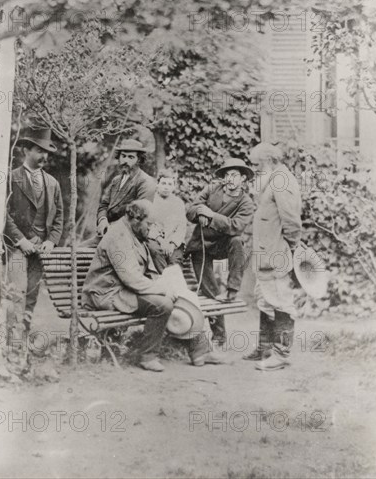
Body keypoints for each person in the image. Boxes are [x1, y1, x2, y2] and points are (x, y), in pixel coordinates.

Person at [82, 200, 222, 372]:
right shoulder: (118, 236)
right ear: (135, 219)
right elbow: (131, 278)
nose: (150, 228)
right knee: (162, 304)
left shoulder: (134, 232)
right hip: (108, 293)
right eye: (148, 223)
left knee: (177, 287)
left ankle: (200, 351)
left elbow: (145, 271)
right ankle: (148, 357)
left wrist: (167, 285)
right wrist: (163, 289)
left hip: (124, 288)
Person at [243, 143, 302, 371]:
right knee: (265, 299)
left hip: (276, 252)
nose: (254, 168)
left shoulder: (283, 181)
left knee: (281, 300)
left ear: (271, 161)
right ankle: (265, 347)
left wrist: (289, 246)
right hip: (265, 253)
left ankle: (281, 354)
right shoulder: (272, 179)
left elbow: (291, 221)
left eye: (257, 164)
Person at [186, 157, 254, 345]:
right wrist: (199, 211)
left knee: (237, 242)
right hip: (201, 245)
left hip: (223, 245)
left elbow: (236, 226)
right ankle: (219, 336)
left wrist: (211, 215)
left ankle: (232, 289)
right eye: (227, 175)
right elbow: (190, 210)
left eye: (235, 175)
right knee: (211, 293)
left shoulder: (246, 202)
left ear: (243, 179)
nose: (230, 179)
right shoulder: (211, 189)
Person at [4, 127, 63, 333]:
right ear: (26, 151)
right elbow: (4, 213)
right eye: (39, 150)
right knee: (16, 293)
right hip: (17, 247)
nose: (44, 156)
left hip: (41, 250)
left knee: (32, 295)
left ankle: (23, 337)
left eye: (46, 152)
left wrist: (51, 241)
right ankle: (10, 337)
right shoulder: (11, 178)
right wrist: (21, 240)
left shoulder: (52, 183)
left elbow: (59, 217)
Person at [96, 139, 155, 238]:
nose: (125, 161)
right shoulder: (116, 180)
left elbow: (140, 215)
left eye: (131, 157)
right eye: (123, 156)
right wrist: (102, 220)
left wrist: (112, 227)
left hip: (129, 236)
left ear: (139, 160)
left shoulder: (145, 182)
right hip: (107, 233)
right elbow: (104, 205)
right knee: (78, 250)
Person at [148, 168, 187, 273]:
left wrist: (172, 243)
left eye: (170, 184)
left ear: (174, 186)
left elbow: (181, 227)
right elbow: (149, 225)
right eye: (163, 183)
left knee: (175, 261)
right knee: (155, 251)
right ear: (158, 184)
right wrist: (161, 241)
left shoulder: (178, 203)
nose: (166, 187)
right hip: (155, 240)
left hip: (174, 242)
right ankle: (164, 280)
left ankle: (172, 282)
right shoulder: (150, 201)